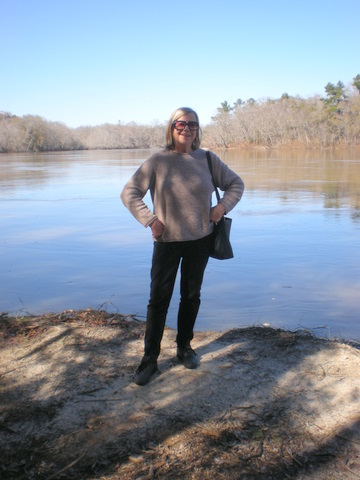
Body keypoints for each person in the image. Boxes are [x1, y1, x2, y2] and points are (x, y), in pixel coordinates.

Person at [121, 107, 244, 386]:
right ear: (171, 127)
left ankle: (184, 348)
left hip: (200, 240)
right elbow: (129, 193)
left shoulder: (208, 159)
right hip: (167, 243)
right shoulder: (157, 161)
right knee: (158, 300)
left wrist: (221, 206)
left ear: (197, 130)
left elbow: (236, 184)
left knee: (191, 296)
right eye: (181, 123)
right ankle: (149, 360)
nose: (186, 128)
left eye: (192, 124)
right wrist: (150, 220)